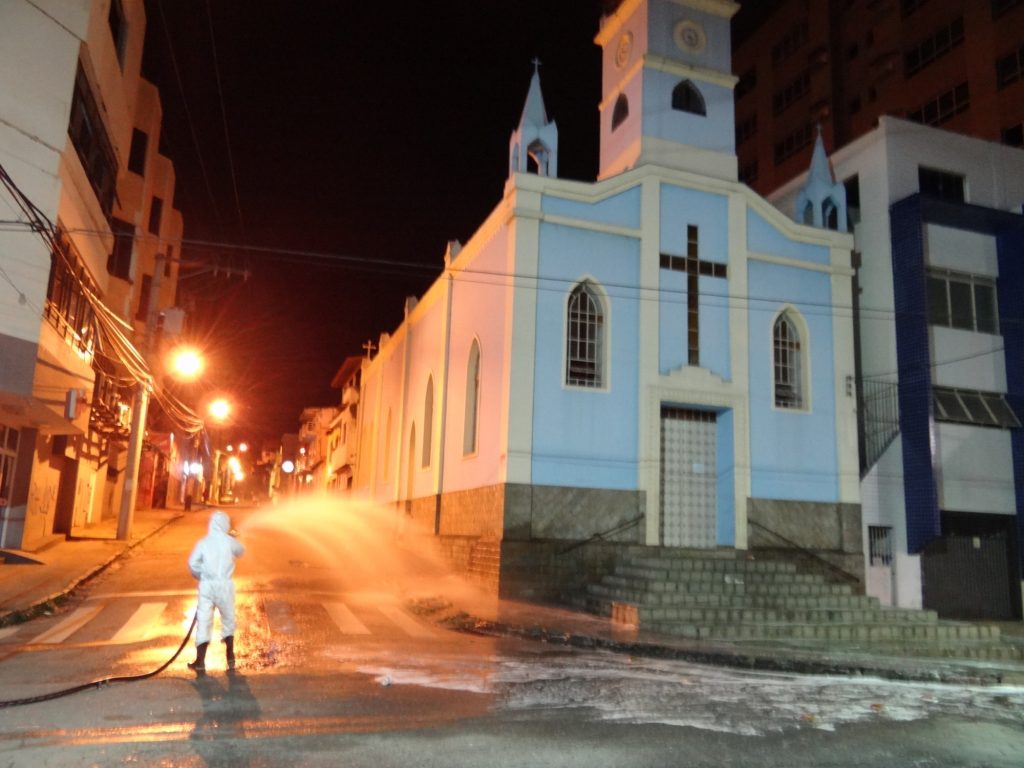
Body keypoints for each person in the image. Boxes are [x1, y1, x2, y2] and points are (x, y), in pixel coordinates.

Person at [187, 509, 245, 672]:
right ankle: (230, 657)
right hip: (225, 586)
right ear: (226, 524)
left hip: (208, 585)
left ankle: (200, 661)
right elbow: (241, 551)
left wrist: (201, 575)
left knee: (204, 620)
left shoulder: (203, 542)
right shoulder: (229, 541)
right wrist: (233, 539)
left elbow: (193, 564)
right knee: (228, 619)